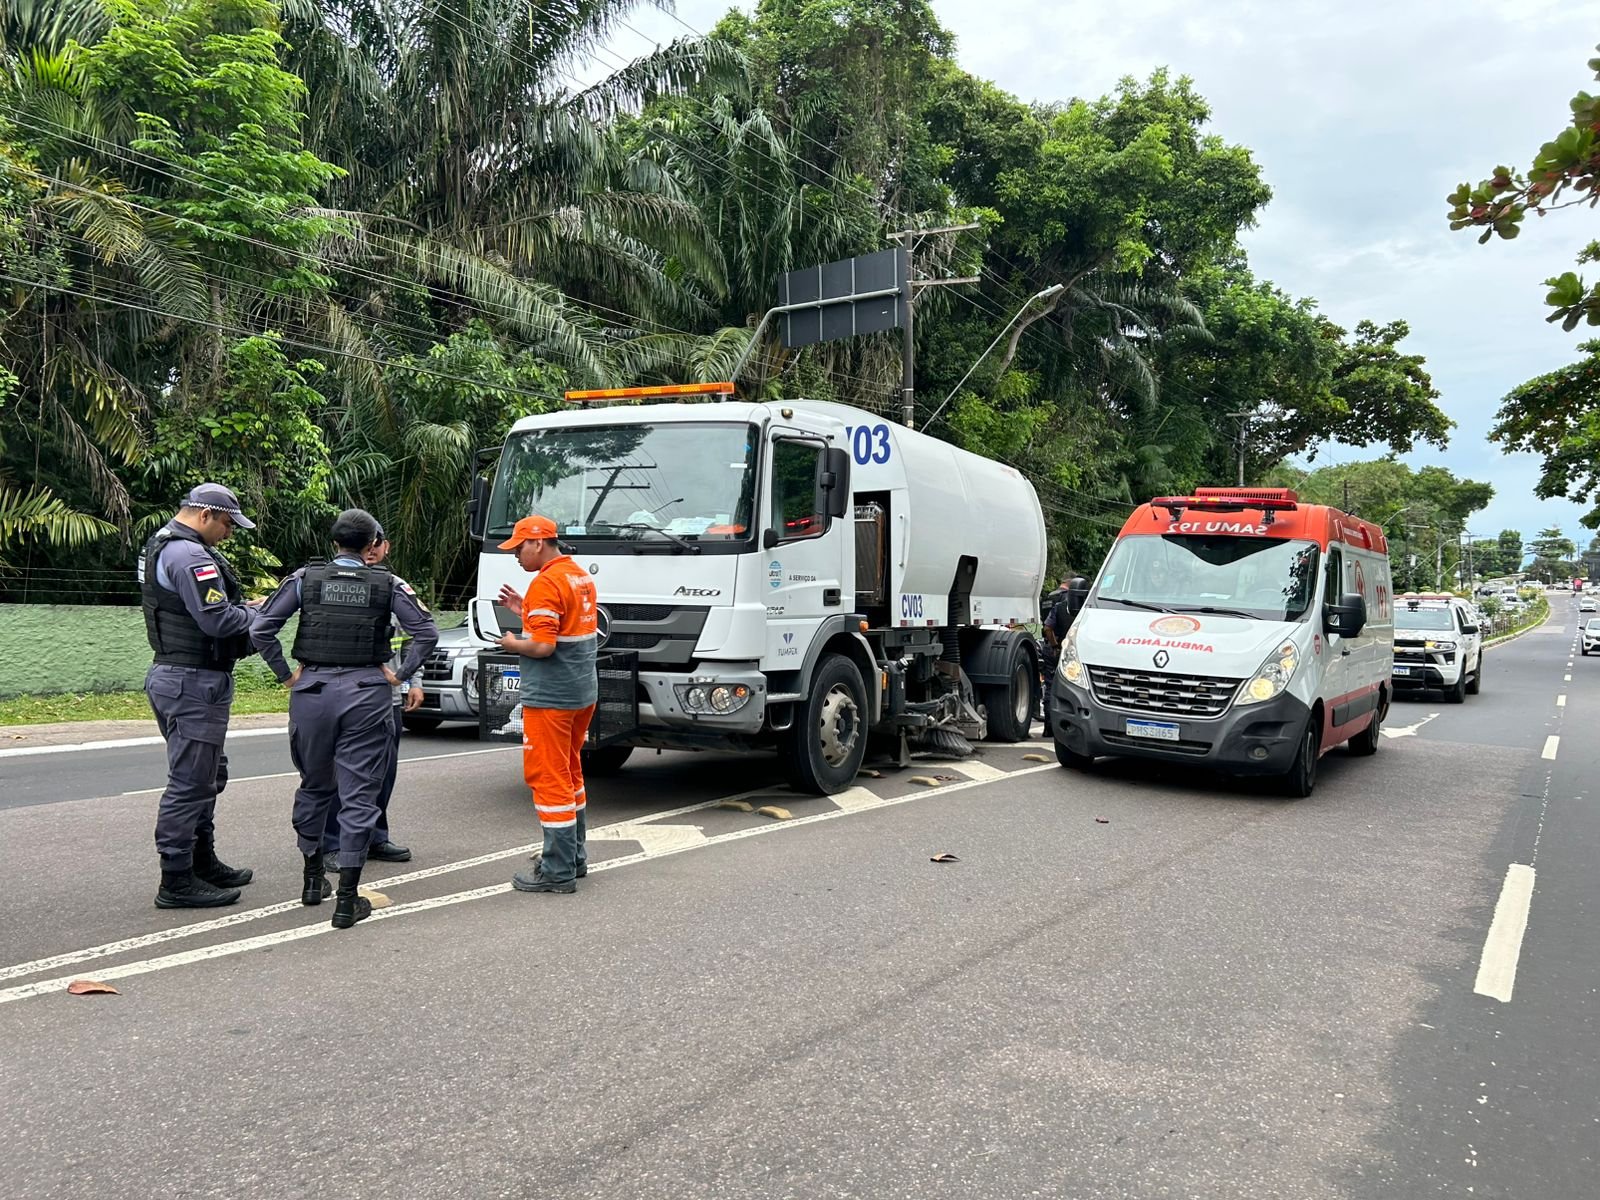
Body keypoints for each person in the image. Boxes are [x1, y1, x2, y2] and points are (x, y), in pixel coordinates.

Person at [251, 509, 438, 929]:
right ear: (373, 544)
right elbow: (426, 631)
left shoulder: (304, 579)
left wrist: (286, 674)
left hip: (311, 693)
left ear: (334, 542)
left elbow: (261, 628)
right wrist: (399, 674)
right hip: (366, 694)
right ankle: (348, 899)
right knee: (359, 793)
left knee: (314, 786)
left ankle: (313, 880)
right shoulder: (388, 584)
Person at [140, 482, 261, 910]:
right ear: (205, 515)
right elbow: (219, 622)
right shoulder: (190, 555)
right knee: (190, 782)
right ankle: (176, 879)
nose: (228, 533)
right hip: (192, 681)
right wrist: (260, 612)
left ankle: (200, 861)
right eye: (227, 524)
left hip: (180, 677)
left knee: (206, 775)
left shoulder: (162, 543)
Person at [495, 515, 599, 895]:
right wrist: (526, 609)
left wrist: (511, 643)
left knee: (548, 777)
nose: (516, 556)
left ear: (538, 543)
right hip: (581, 692)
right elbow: (564, 625)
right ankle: (575, 858)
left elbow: (543, 645)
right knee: (570, 773)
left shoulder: (545, 583)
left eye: (519, 548)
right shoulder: (578, 576)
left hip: (551, 697)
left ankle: (557, 870)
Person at [318, 530, 423, 865]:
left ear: (385, 546)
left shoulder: (394, 586)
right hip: (346, 696)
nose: (372, 550)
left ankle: (375, 836)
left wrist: (412, 680)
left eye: (377, 544)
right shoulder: (332, 583)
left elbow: (414, 638)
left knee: (383, 773)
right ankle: (333, 843)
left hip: (387, 696)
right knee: (342, 775)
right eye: (367, 544)